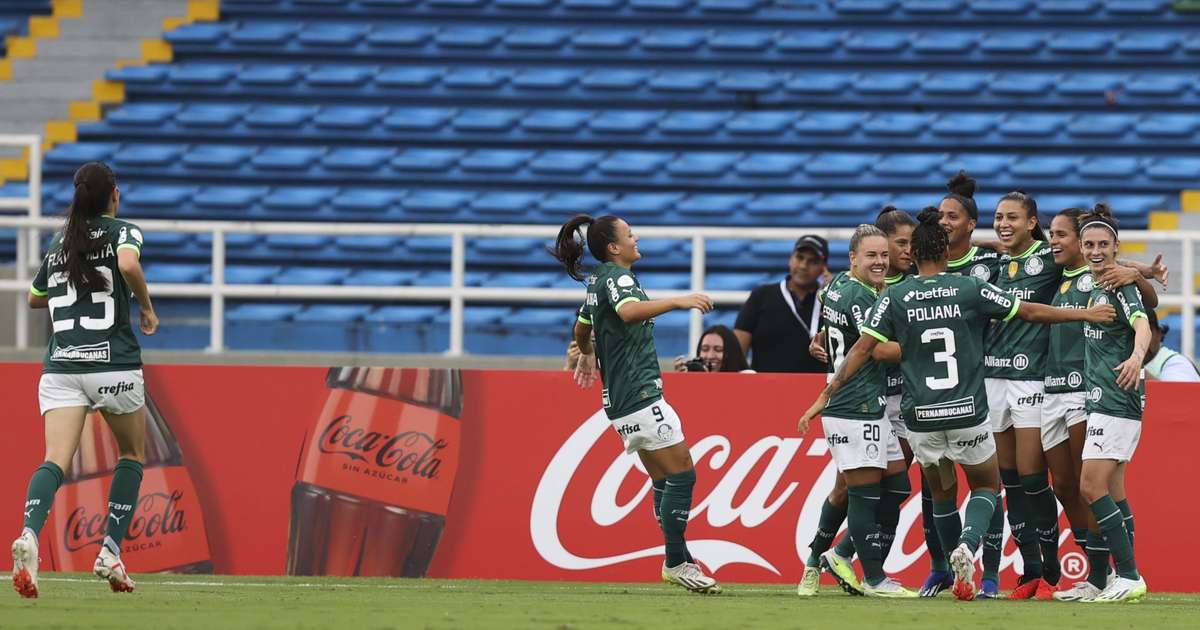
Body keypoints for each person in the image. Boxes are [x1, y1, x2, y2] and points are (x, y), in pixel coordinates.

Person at [797, 207, 1115, 601]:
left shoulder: (895, 294)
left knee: (940, 494)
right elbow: (1030, 311)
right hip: (965, 409)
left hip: (920, 417)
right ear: (947, 254)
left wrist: (824, 395)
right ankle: (969, 544)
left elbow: (863, 348)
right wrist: (1086, 312)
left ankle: (950, 567)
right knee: (987, 485)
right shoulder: (968, 288)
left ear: (912, 255)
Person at [551, 213, 721, 594]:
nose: (636, 237)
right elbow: (628, 312)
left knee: (665, 478)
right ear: (614, 247)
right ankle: (676, 561)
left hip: (621, 400)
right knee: (683, 475)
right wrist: (679, 301)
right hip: (639, 394)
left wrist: (587, 350)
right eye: (629, 234)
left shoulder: (597, 281)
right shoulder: (619, 278)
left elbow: (581, 326)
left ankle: (679, 553)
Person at [11, 162, 158, 599]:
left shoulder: (62, 241)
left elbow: (36, 297)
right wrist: (146, 307)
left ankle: (30, 536)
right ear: (114, 195)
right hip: (113, 363)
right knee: (131, 453)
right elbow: (128, 263)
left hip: (63, 367)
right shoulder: (123, 232)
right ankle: (110, 551)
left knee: (55, 459)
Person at [1043, 206, 1163, 602]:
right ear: (1081, 246)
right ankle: (1100, 580)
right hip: (1102, 399)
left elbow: (1143, 323)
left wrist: (1135, 356)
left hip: (1116, 399)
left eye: (1103, 245)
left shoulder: (1117, 285)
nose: (1096, 251)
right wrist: (1143, 269)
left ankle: (1128, 574)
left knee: (1090, 486)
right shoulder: (1097, 285)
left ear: (1115, 248)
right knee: (1113, 490)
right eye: (1089, 244)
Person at [794, 225, 916, 598]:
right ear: (853, 259)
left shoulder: (842, 289)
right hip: (852, 404)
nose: (881, 262)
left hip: (870, 402)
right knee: (857, 492)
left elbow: (832, 336)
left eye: (884, 255)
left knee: (896, 484)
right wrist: (927, 340)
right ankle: (872, 577)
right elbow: (875, 350)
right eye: (872, 256)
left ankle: (826, 557)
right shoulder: (860, 296)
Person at [734, 235, 828, 373]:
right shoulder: (761, 296)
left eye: (812, 261)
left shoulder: (831, 301)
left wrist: (836, 292)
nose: (803, 266)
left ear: (824, 267)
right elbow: (737, 352)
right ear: (790, 258)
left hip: (819, 390)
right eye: (799, 257)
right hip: (765, 389)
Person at [1143, 309, 1200, 382]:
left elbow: (1179, 393)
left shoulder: (1177, 363)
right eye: (1132, 334)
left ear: (1159, 333)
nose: (1139, 340)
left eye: (1146, 333)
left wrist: (1141, 375)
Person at [673, 325, 752, 373]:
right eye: (705, 349)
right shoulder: (694, 377)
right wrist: (679, 381)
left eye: (718, 350)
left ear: (732, 353)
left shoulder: (748, 377)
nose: (710, 356)